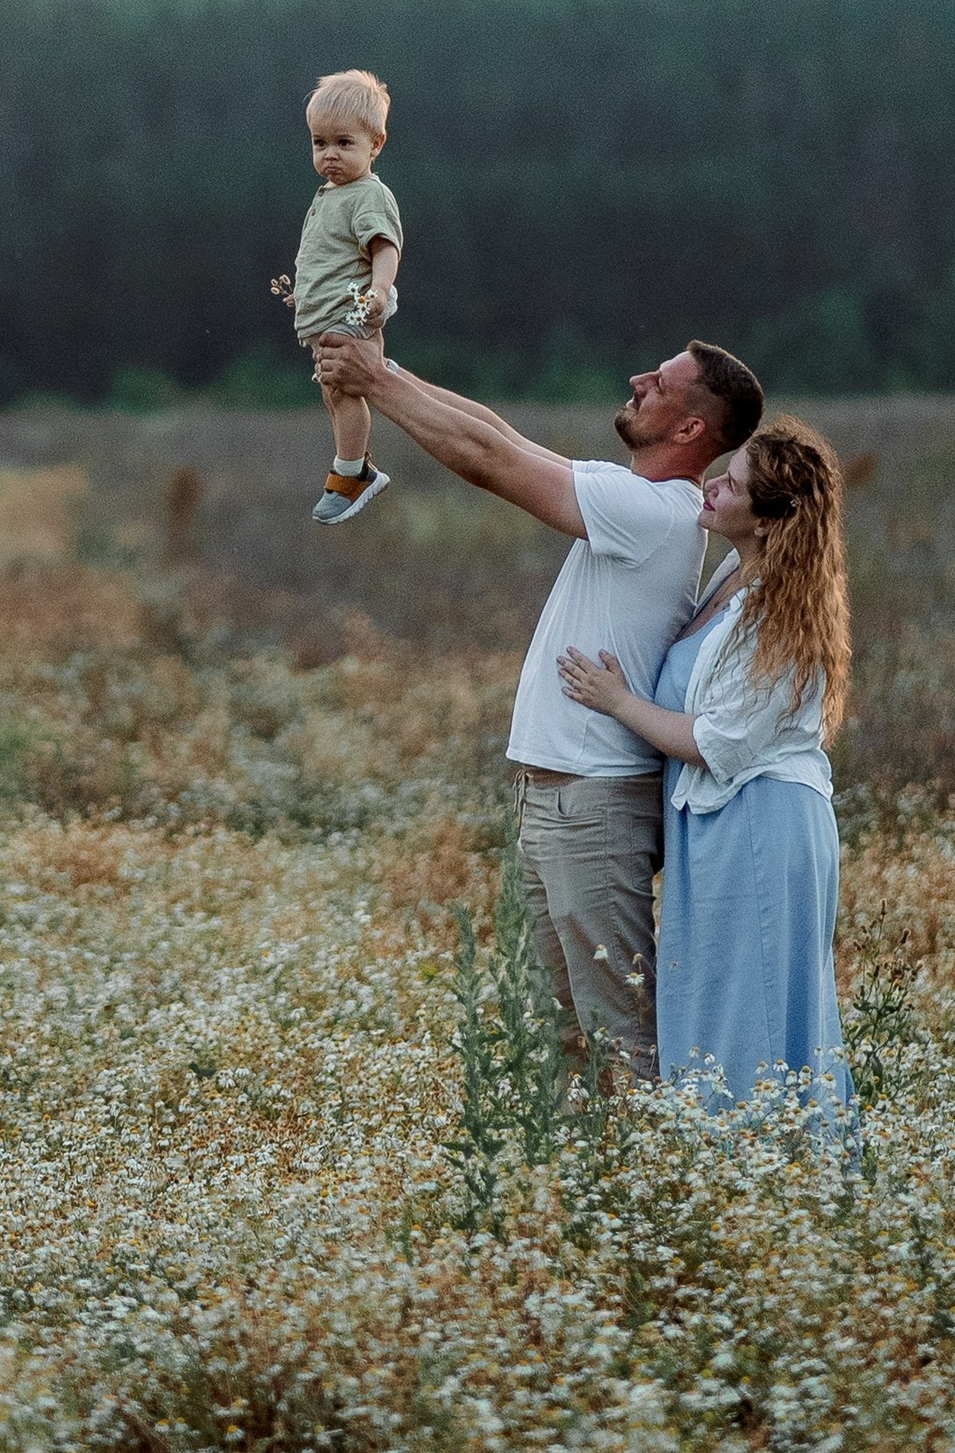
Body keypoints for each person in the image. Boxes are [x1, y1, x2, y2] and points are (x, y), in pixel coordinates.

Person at [312, 329, 763, 1082]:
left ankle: (655, 1184)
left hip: (592, 805)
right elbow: (500, 434)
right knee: (555, 1035)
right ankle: (567, 1191)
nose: (639, 376)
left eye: (662, 381)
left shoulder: (652, 512)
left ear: (690, 431)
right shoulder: (639, 496)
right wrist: (379, 369)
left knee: (616, 1034)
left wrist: (377, 385)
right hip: (557, 798)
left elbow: (489, 463)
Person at [558, 418, 854, 1117]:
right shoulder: (732, 577)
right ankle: (733, 1177)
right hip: (719, 826)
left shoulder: (779, 613)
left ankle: (764, 1173)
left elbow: (717, 742)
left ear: (770, 518)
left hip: (759, 824)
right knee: (719, 1001)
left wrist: (618, 701)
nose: (714, 482)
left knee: (747, 1010)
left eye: (736, 482)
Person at [270, 69, 403, 525]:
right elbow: (330, 257)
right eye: (319, 143)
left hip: (357, 309)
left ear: (376, 144)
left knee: (344, 389)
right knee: (333, 391)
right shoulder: (331, 194)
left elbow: (384, 247)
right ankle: (354, 464)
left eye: (344, 144)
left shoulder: (368, 195)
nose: (329, 155)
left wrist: (380, 291)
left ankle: (351, 474)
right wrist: (303, 295)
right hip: (329, 312)